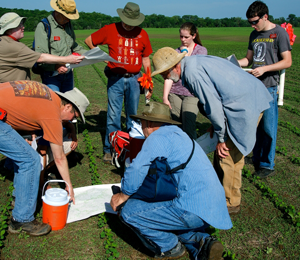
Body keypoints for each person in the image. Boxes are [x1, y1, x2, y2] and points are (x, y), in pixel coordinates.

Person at [151, 47, 272, 214]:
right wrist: (217, 126)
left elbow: (212, 105)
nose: (164, 77)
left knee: (228, 154)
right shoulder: (193, 62)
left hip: (245, 103)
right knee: (225, 151)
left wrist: (222, 137)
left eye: (164, 73)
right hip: (247, 97)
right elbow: (217, 94)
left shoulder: (192, 73)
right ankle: (219, 191)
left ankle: (230, 203)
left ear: (174, 66)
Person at [0, 81, 89, 236]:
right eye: (73, 117)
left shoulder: (48, 94)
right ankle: (21, 219)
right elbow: (59, 158)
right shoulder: (52, 114)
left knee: (24, 157)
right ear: (68, 107)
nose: (70, 121)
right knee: (30, 161)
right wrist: (68, 186)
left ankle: (20, 199)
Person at [110, 101, 232, 260]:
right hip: (213, 209)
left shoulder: (156, 137)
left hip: (192, 210)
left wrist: (123, 195)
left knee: (128, 212)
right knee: (169, 217)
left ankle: (169, 246)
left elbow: (136, 168)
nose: (141, 127)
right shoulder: (179, 134)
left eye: (141, 122)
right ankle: (201, 242)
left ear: (149, 123)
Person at [84, 2, 153, 164]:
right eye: (127, 21)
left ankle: (129, 148)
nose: (129, 26)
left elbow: (146, 59)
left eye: (133, 23)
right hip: (115, 78)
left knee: (132, 116)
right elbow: (89, 40)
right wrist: (101, 57)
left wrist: (148, 82)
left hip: (136, 79)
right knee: (113, 115)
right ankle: (110, 149)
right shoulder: (110, 29)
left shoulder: (142, 34)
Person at [237, 0, 292, 179]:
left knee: (268, 127)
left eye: (255, 21)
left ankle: (267, 164)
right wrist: (232, 63)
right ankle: (257, 156)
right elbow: (248, 60)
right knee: (254, 126)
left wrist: (265, 69)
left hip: (269, 87)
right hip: (254, 87)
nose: (253, 25)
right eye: (250, 22)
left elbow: (287, 61)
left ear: (265, 16)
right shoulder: (254, 34)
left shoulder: (279, 33)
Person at [0, 12, 84, 85]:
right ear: (9, 28)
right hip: (11, 91)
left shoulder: (0, 40)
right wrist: (67, 59)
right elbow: (40, 57)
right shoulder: (14, 46)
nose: (23, 27)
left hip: (4, 88)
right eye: (19, 25)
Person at [162, 22, 207, 140]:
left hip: (192, 94)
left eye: (186, 37)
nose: (183, 39)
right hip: (175, 92)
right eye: (181, 36)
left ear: (194, 36)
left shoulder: (201, 51)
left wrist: (184, 53)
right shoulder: (175, 52)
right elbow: (169, 76)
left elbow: (191, 69)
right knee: (175, 124)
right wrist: (165, 97)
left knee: (189, 124)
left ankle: (191, 152)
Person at [34, 0, 88, 93]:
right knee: (55, 105)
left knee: (67, 104)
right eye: (66, 16)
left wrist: (90, 54)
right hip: (51, 76)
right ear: (57, 12)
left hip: (68, 74)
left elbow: (73, 45)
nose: (68, 19)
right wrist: (56, 66)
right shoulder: (44, 26)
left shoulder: (68, 25)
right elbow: (40, 56)